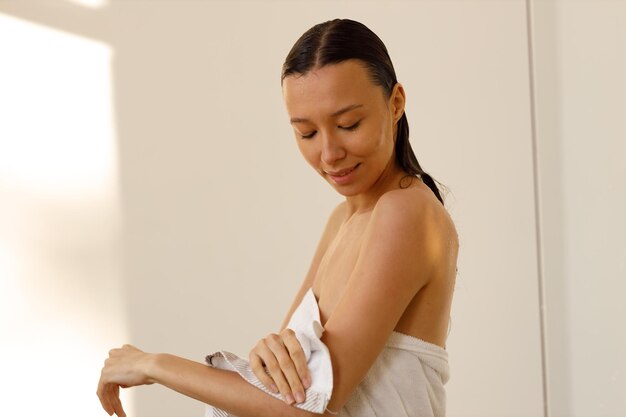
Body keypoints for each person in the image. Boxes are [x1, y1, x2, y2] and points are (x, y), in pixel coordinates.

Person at [97, 18, 459, 417]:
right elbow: (278, 388)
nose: (329, 153)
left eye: (347, 124)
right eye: (306, 133)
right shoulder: (343, 220)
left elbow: (306, 405)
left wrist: (152, 364)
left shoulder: (406, 211)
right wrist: (267, 358)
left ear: (395, 103)